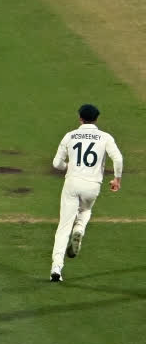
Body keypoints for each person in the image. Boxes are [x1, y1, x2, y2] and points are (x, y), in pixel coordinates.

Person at [48, 104, 123, 282]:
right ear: (96, 119)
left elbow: (57, 164)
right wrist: (116, 179)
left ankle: (56, 269)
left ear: (80, 118)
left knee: (63, 227)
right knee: (85, 211)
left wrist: (69, 168)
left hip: (72, 183)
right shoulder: (105, 137)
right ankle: (80, 229)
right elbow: (118, 158)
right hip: (92, 185)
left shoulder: (70, 136)